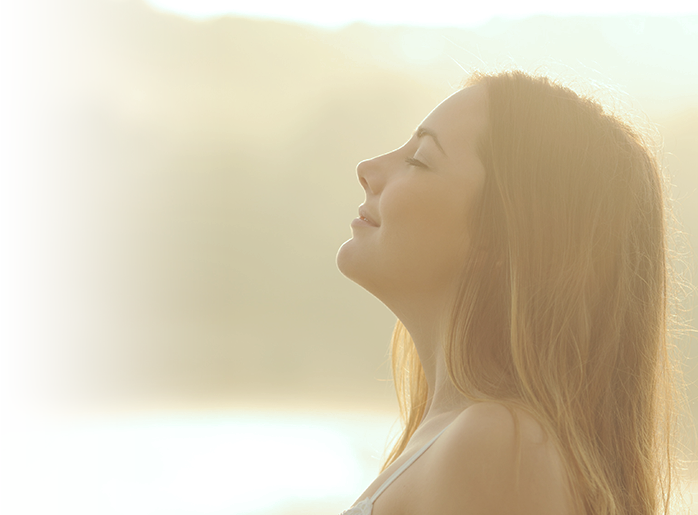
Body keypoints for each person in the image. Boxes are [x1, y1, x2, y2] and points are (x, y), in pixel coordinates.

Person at [336, 70, 685, 515]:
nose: (367, 169)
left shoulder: (498, 445)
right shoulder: (462, 437)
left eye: (419, 159)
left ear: (500, 238)